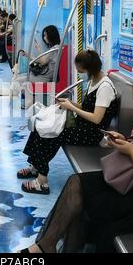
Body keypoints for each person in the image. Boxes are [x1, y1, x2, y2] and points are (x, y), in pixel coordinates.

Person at [20, 71, 133, 253]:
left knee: (84, 202)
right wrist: (124, 141)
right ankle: (47, 246)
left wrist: (131, 151)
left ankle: (48, 247)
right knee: (76, 182)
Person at [18, 50, 119, 194]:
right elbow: (87, 108)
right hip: (84, 125)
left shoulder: (105, 87)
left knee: (53, 132)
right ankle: (35, 167)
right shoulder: (94, 80)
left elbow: (97, 119)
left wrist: (71, 108)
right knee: (42, 126)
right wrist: (70, 103)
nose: (79, 73)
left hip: (93, 133)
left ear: (90, 69)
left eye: (80, 70)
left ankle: (42, 182)